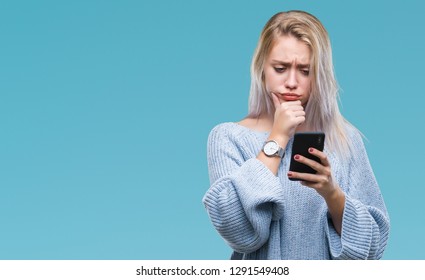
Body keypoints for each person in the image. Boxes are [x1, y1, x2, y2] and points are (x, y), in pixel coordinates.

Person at [202, 10, 390, 260]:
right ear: (261, 69)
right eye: (280, 68)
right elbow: (239, 233)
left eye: (305, 70)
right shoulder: (228, 137)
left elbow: (374, 247)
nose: (292, 82)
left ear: (319, 75)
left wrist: (331, 193)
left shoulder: (345, 139)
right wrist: (278, 136)